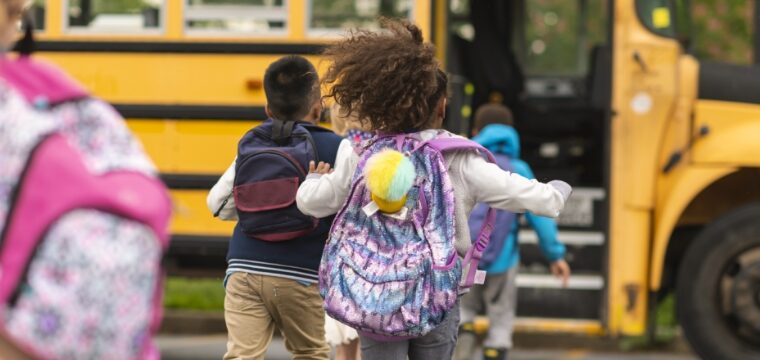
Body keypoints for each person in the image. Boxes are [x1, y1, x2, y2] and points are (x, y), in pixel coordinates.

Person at [295, 20, 571, 360]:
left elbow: (313, 203)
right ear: (441, 107)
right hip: (437, 293)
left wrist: (310, 183)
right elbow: (522, 193)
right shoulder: (458, 157)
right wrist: (557, 193)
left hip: (374, 295)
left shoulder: (360, 152)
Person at [207, 56, 341, 360]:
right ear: (318, 107)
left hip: (243, 268)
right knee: (309, 353)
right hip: (302, 272)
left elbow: (217, 204)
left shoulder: (253, 144)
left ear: (268, 110)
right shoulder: (337, 147)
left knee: (242, 355)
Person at [455, 104, 571, 360]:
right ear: (512, 134)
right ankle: (495, 348)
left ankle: (465, 332)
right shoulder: (518, 168)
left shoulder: (466, 164)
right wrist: (555, 255)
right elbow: (542, 219)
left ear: (476, 131)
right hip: (503, 260)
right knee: (501, 316)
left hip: (464, 257)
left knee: (463, 310)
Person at [323, 103, 368, 360]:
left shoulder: (342, 149)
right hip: (375, 253)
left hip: (344, 255)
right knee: (368, 339)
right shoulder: (382, 147)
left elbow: (328, 197)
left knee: (344, 343)